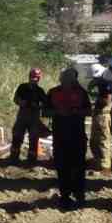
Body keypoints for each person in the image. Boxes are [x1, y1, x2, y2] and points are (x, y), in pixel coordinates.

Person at [47, 68, 91, 210]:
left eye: (70, 78)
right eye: (65, 77)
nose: (67, 80)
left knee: (79, 167)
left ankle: (79, 196)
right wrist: (58, 112)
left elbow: (89, 111)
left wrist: (76, 111)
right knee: (62, 167)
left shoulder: (81, 93)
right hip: (60, 137)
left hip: (77, 137)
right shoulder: (53, 92)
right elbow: (45, 111)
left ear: (74, 79)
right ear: (61, 78)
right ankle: (65, 196)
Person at [9, 68, 47, 165]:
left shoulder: (40, 91)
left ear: (39, 79)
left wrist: (37, 105)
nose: (34, 80)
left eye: (36, 78)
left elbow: (45, 103)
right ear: (29, 77)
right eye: (33, 77)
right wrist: (22, 102)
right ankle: (14, 157)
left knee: (34, 137)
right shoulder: (22, 87)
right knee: (17, 135)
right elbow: (15, 99)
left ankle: (32, 159)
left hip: (34, 116)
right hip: (22, 115)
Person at [89, 84, 112, 173]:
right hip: (98, 115)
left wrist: (97, 97)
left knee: (103, 141)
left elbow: (107, 100)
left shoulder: (107, 87)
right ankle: (98, 163)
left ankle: (105, 166)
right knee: (94, 141)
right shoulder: (102, 87)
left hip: (103, 116)